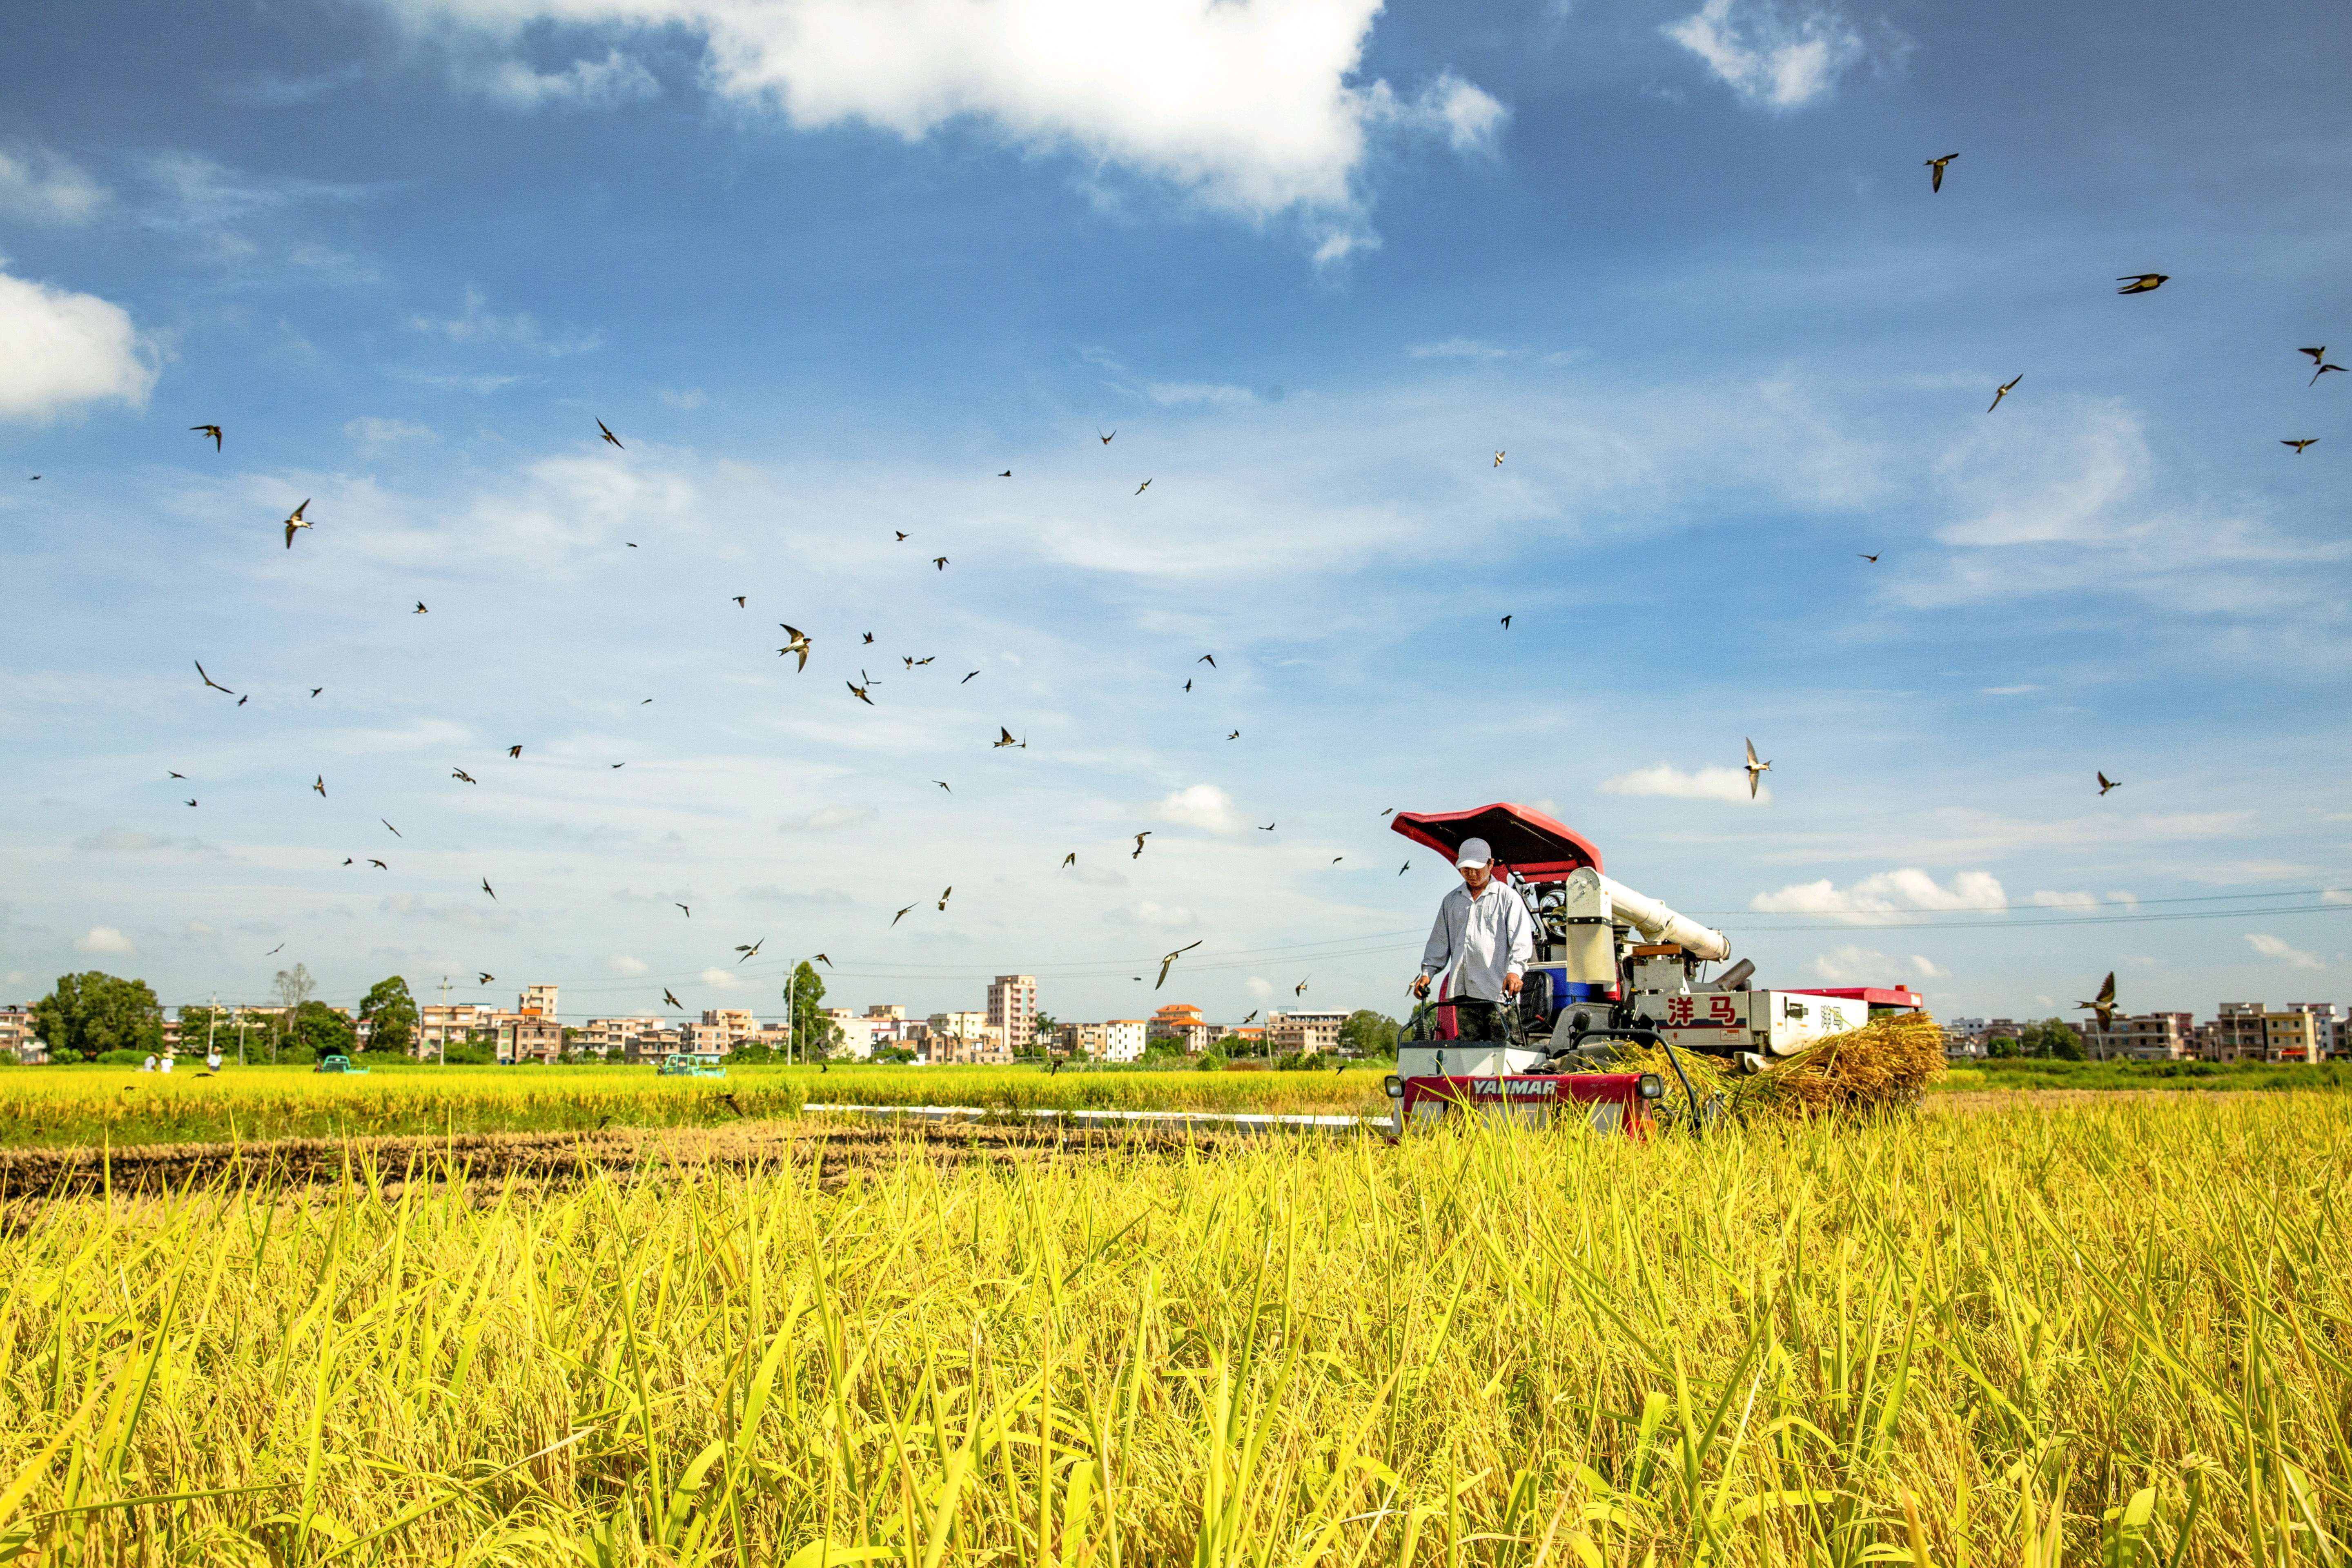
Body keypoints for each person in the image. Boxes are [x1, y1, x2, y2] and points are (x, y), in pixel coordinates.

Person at [1410, 836, 1535, 1042]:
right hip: (1464, 993)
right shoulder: (1451, 901)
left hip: (1498, 992)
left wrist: (1515, 972)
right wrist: (1427, 974)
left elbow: (1521, 941)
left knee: (1505, 1051)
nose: (1472, 874)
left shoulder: (1507, 897)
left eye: (1478, 868)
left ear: (1491, 864)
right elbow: (1439, 943)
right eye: (1467, 869)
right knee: (1469, 1054)